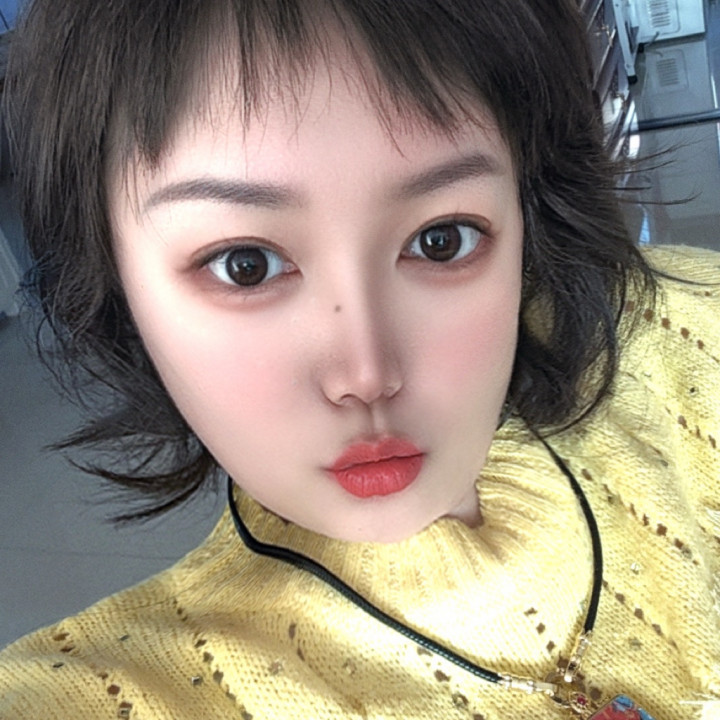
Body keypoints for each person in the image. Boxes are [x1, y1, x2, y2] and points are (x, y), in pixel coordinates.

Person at [1, 0, 718, 718]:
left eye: (442, 240)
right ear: (116, 284)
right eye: (245, 265)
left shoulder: (690, 328)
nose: (367, 376)